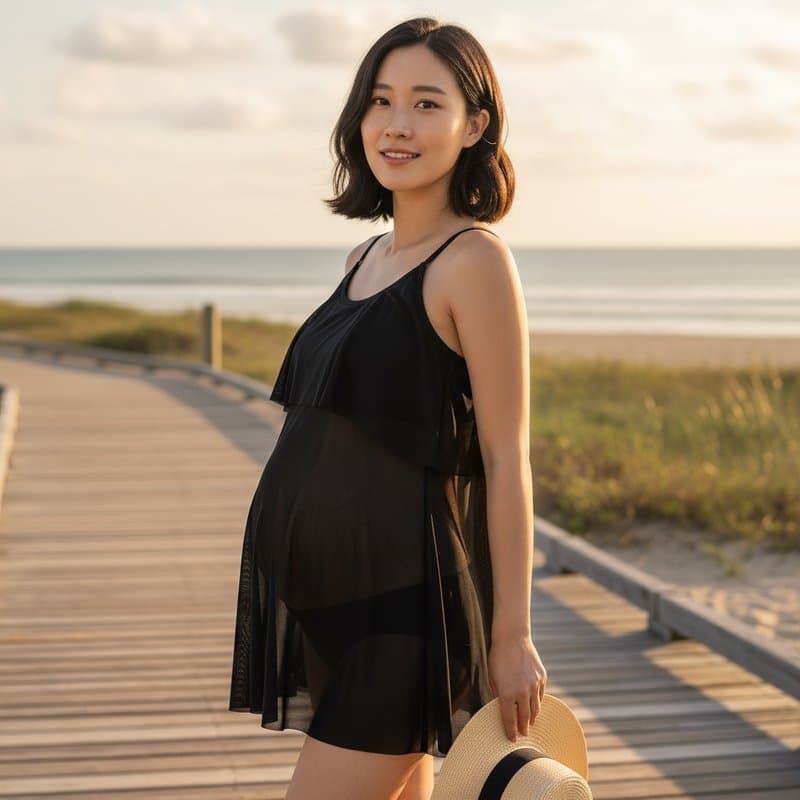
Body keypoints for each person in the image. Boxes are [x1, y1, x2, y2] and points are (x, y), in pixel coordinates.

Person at [228, 16, 547, 800]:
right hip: (331, 613)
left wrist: (512, 636)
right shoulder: (365, 257)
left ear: (475, 125)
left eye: (427, 103)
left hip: (402, 618)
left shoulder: (472, 260)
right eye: (381, 100)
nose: (397, 124)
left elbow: (507, 457)